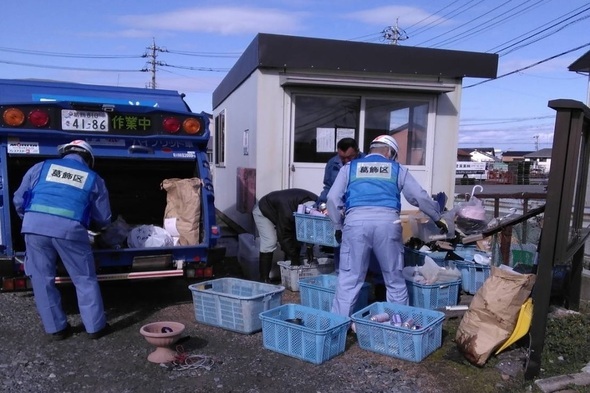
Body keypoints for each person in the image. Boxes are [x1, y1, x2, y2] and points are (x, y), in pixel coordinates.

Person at [326, 135, 448, 317]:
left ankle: (336, 330)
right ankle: (399, 326)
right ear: (390, 152)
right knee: (394, 279)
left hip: (355, 223)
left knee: (348, 281)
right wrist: (437, 216)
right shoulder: (397, 169)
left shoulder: (349, 168)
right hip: (388, 223)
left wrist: (338, 226)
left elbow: (332, 199)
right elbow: (419, 197)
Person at [13, 140, 112, 340]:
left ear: (65, 153)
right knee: (84, 279)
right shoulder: (94, 178)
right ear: (88, 159)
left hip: (34, 228)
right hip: (70, 231)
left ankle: (57, 329)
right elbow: (103, 218)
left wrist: (31, 219)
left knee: (42, 279)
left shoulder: (40, 167)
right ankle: (95, 328)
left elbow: (18, 199)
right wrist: (98, 229)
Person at [252, 188, 318, 282]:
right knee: (270, 242)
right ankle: (264, 279)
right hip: (263, 210)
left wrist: (309, 247)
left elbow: (311, 226)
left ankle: (289, 273)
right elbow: (284, 236)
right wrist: (295, 258)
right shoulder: (287, 212)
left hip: (281, 207)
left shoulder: (317, 203)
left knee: (295, 239)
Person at [317, 137, 364, 205]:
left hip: (357, 204)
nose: (346, 161)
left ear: (357, 152)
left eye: (350, 157)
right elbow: (328, 187)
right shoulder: (332, 163)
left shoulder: (366, 163)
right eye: (342, 157)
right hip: (338, 204)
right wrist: (320, 203)